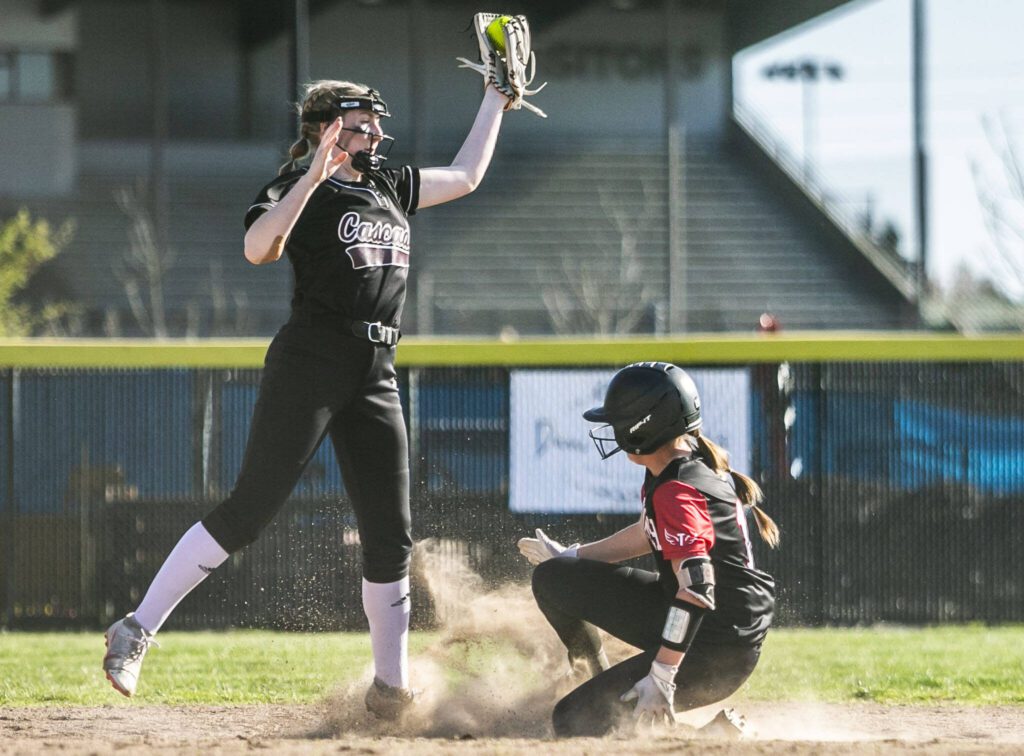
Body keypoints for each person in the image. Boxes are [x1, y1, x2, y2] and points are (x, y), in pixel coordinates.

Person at [102, 78, 515, 718]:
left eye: (376, 123)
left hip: (377, 367)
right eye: (360, 124)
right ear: (326, 128)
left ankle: (390, 689)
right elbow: (257, 248)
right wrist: (312, 176)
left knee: (390, 535)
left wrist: (495, 99)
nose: (375, 133)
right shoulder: (299, 185)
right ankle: (136, 628)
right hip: (312, 358)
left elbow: (463, 176)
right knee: (251, 508)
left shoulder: (386, 184)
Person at [518, 361, 779, 736]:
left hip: (716, 651)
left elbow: (698, 587)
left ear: (643, 427)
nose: (612, 430)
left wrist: (662, 674)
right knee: (555, 577)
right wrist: (573, 555)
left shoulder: (677, 487)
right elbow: (649, 532)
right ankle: (608, 688)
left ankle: (708, 736)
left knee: (572, 722)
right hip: (703, 624)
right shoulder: (672, 469)